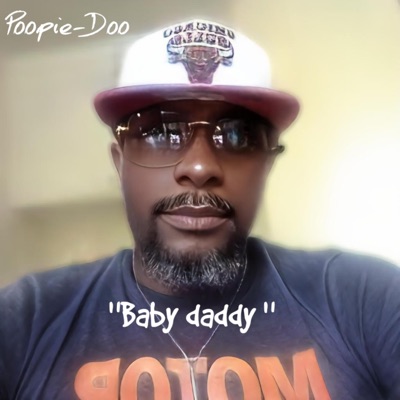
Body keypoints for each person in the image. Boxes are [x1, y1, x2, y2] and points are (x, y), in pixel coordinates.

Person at [0, 19, 399, 400]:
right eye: (160, 132)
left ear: (267, 164)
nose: (199, 167)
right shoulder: (28, 318)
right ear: (120, 164)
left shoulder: (362, 299)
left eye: (237, 135)